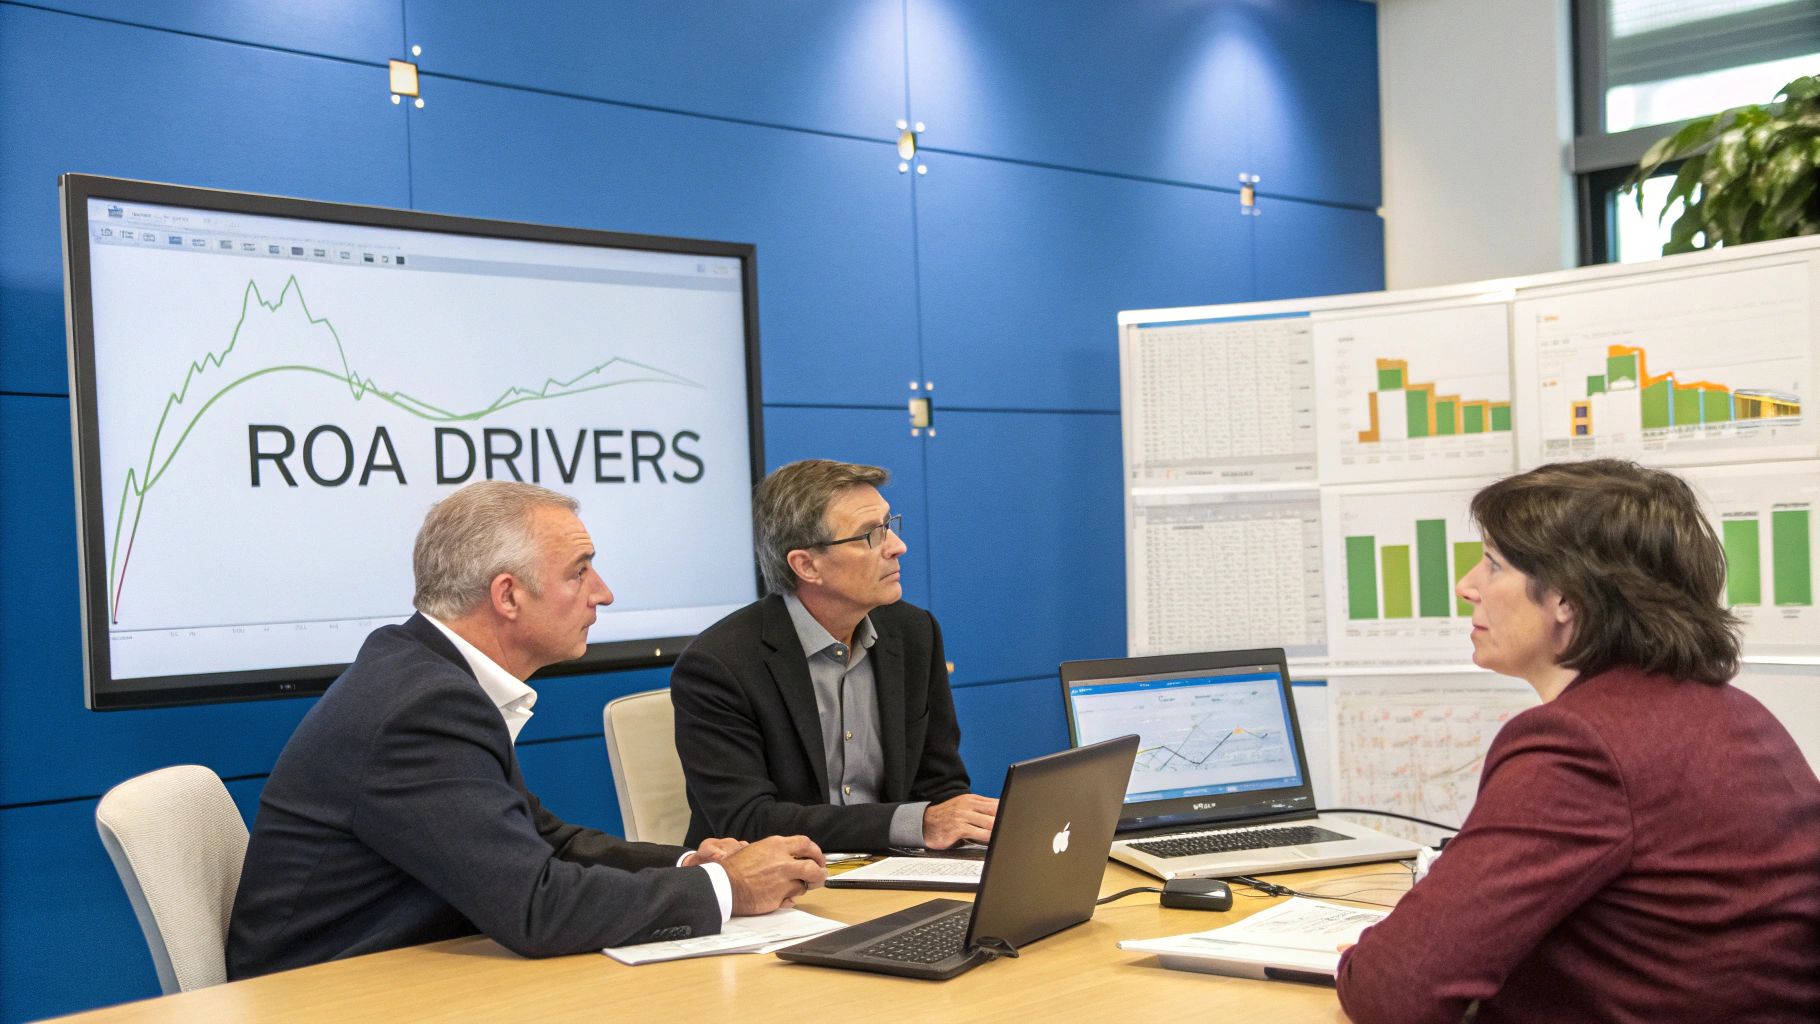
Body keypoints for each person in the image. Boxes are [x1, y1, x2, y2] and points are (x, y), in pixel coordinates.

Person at [228, 482, 826, 979]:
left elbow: (547, 843)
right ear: (508, 595)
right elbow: (537, 908)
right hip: (328, 995)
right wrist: (727, 888)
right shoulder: (422, 707)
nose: (604, 593)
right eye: (580, 572)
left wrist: (689, 865)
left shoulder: (425, 672)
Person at [1336, 460, 1820, 1023]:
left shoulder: (1579, 743)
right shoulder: (1735, 716)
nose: (1467, 586)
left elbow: (1397, 992)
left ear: (1567, 599)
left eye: (1493, 565)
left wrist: (1369, 964)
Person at [670, 459, 997, 852]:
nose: (897, 546)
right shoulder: (718, 665)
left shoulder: (913, 633)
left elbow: (941, 785)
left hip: (898, 870)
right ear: (806, 565)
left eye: (889, 525)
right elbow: (749, 821)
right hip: (778, 890)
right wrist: (912, 823)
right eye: (870, 536)